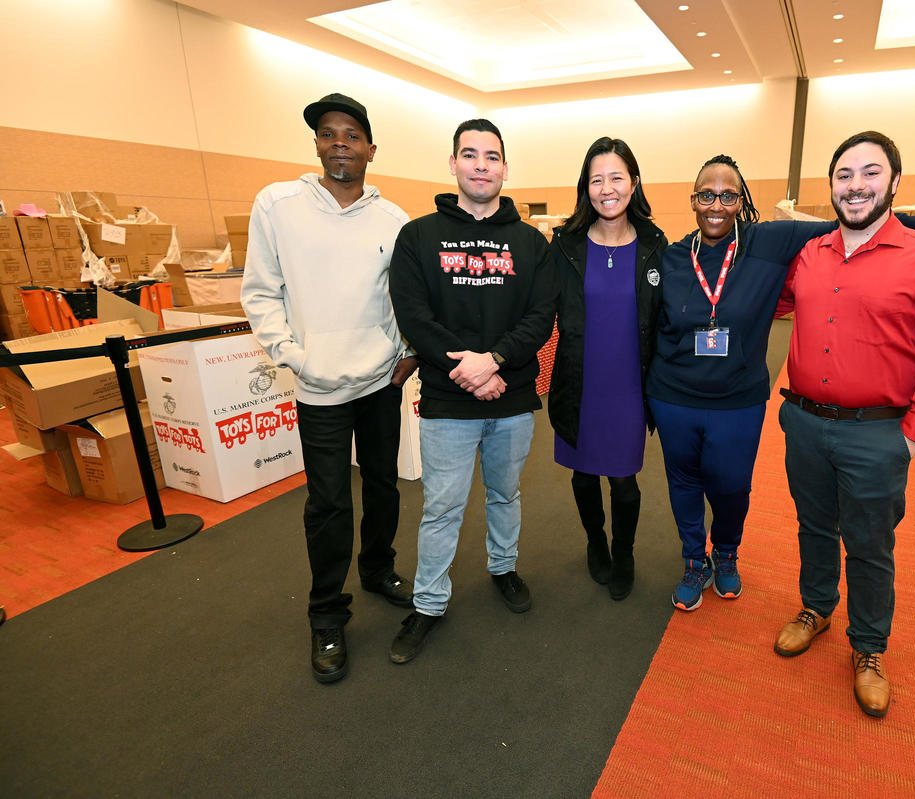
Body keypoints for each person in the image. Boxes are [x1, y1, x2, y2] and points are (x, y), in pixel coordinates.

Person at [645, 154, 915, 612]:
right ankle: (694, 559)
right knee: (684, 483)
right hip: (674, 397)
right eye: (706, 195)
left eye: (728, 196)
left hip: (738, 400)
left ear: (741, 201)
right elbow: (650, 326)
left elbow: (846, 221)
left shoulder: (768, 240)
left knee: (732, 486)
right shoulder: (673, 256)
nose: (716, 205)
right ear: (693, 200)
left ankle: (726, 552)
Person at [771, 130, 915, 719]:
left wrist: (912, 436)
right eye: (844, 174)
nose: (855, 185)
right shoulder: (811, 254)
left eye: (870, 173)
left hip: (878, 433)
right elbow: (773, 303)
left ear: (895, 183)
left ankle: (868, 647)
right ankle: (816, 607)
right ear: (831, 185)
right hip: (804, 422)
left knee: (869, 543)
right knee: (813, 525)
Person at [241, 93, 417, 684]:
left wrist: (407, 350)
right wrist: (294, 356)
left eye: (351, 135)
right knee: (329, 503)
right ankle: (326, 614)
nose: (339, 143)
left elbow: (402, 296)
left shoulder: (393, 218)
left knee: (384, 486)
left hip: (381, 380)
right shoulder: (278, 205)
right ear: (317, 144)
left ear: (371, 149)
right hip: (318, 387)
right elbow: (261, 290)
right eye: (327, 133)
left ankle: (378, 568)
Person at [388, 119, 557, 663]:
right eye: (470, 154)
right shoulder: (418, 236)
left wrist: (494, 361)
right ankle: (428, 603)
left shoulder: (531, 242)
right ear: (453, 164)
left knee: (505, 494)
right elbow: (413, 315)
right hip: (447, 400)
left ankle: (503, 568)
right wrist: (470, 370)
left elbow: (541, 315)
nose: (481, 165)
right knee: (442, 508)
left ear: (505, 168)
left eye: (491, 156)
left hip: (512, 395)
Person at [547, 137, 666, 601]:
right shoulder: (566, 245)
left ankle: (624, 551)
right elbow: (537, 307)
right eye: (596, 179)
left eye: (616, 177)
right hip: (580, 380)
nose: (607, 188)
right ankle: (595, 541)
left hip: (630, 386)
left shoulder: (655, 245)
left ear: (634, 182)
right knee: (582, 474)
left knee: (623, 479)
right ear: (586, 187)